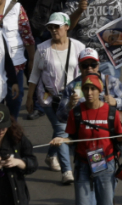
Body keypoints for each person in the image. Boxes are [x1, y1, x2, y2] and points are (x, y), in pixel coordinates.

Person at [50, 74, 122, 205]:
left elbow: (119, 138)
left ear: (100, 90)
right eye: (86, 89)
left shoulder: (112, 113)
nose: (89, 92)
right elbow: (72, 138)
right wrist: (62, 140)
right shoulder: (75, 112)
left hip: (106, 164)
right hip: (82, 165)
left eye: (93, 88)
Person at [25, 12, 84, 185]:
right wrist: (29, 98)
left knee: (61, 130)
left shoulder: (78, 47)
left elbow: (82, 73)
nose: (53, 30)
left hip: (72, 97)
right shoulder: (43, 48)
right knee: (61, 130)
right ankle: (67, 171)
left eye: (56, 26)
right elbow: (34, 74)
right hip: (50, 98)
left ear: (67, 27)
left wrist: (78, 93)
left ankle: (51, 155)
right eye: (50, 27)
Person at [64, 0, 122, 78]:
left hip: (108, 61)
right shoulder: (75, 0)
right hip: (82, 63)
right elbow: (66, 26)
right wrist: (79, 11)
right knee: (84, 91)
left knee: (109, 90)